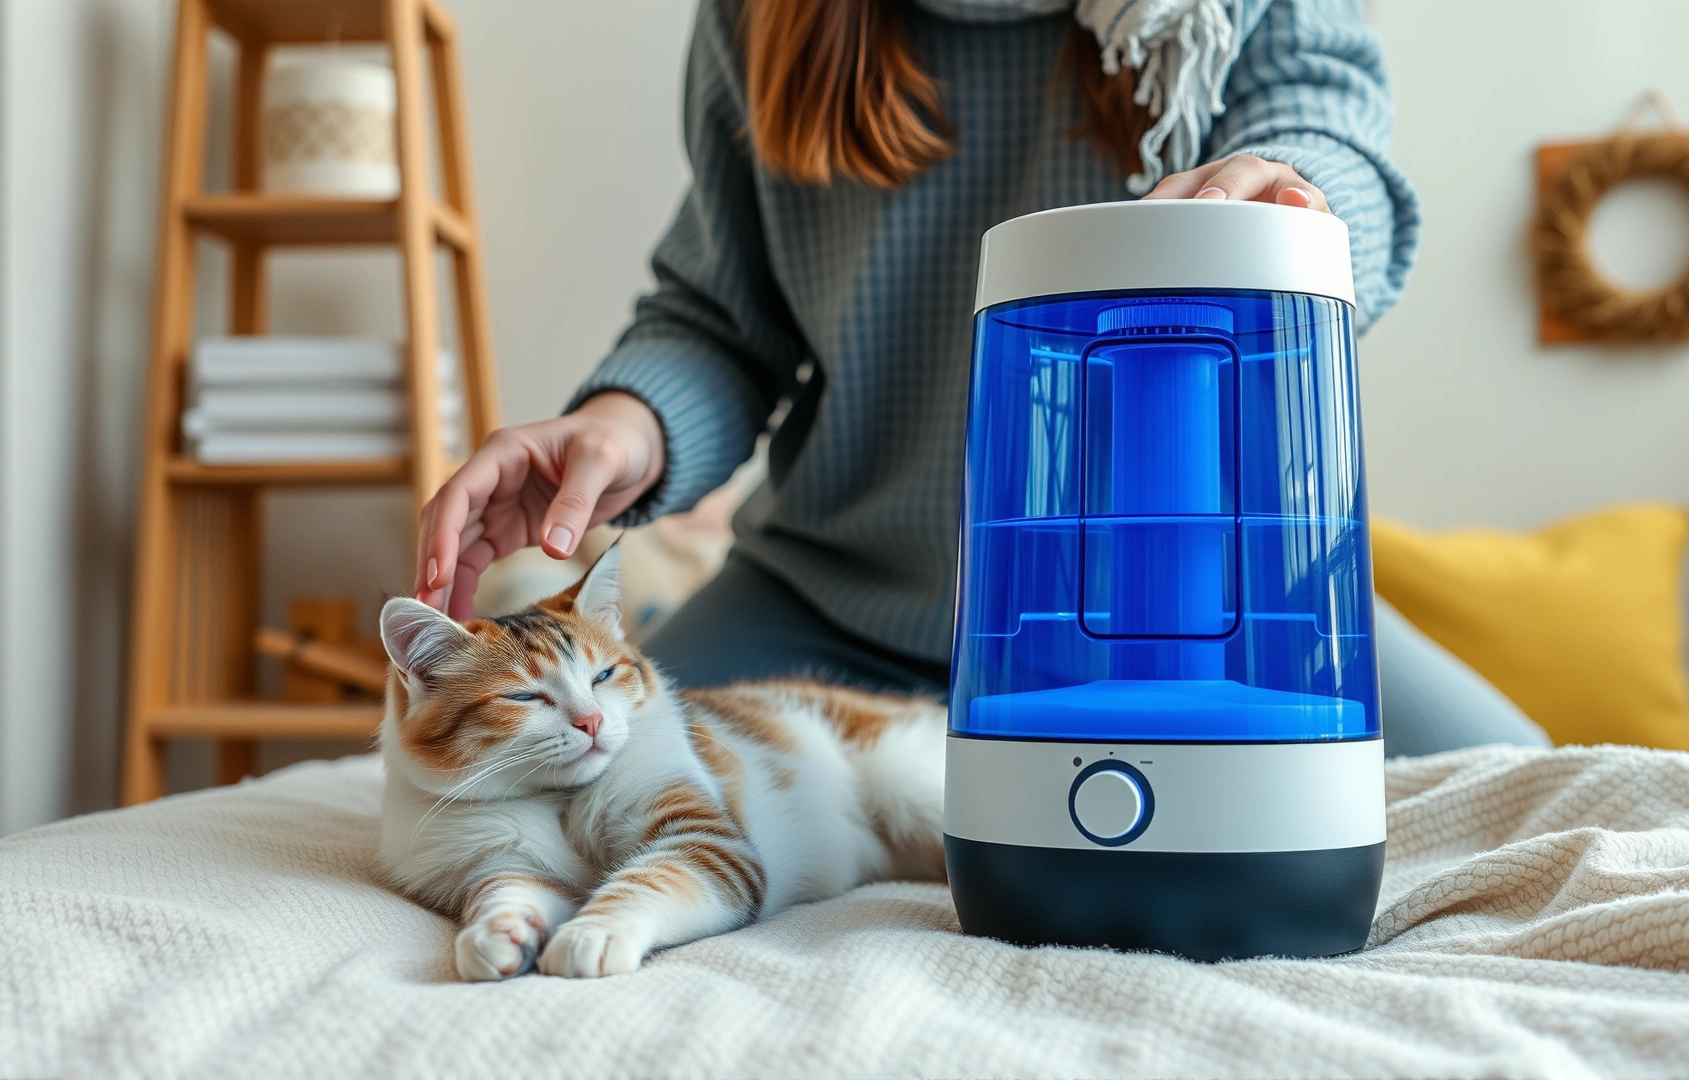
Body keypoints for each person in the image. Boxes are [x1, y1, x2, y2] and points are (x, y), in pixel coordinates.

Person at [416, 0, 1550, 756]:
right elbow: (720, 315)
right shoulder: (760, 20)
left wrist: (1289, 202)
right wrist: (621, 429)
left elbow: (1328, 139)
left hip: (1217, 609)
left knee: (1528, 787)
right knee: (603, 794)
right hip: (830, 604)